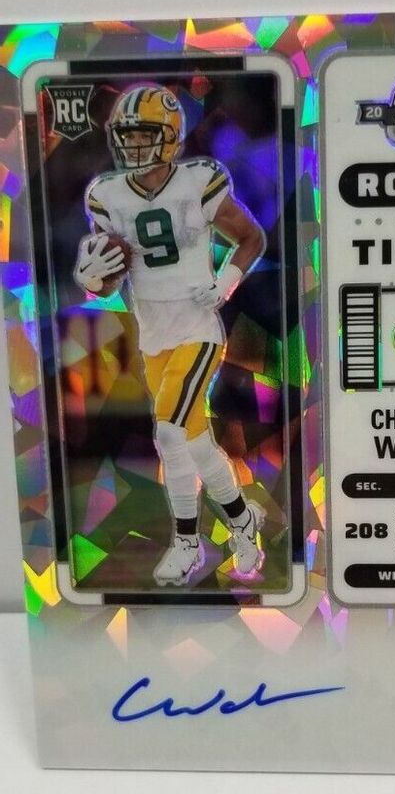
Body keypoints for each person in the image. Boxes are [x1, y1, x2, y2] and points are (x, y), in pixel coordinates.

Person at [73, 84, 266, 586]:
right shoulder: (107, 194)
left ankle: (187, 543)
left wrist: (225, 282)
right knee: (196, 442)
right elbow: (107, 276)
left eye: (144, 134)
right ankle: (244, 523)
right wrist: (92, 280)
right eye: (127, 135)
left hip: (197, 331)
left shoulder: (198, 182)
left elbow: (251, 236)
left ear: (170, 135)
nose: (134, 145)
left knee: (168, 434)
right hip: (152, 337)